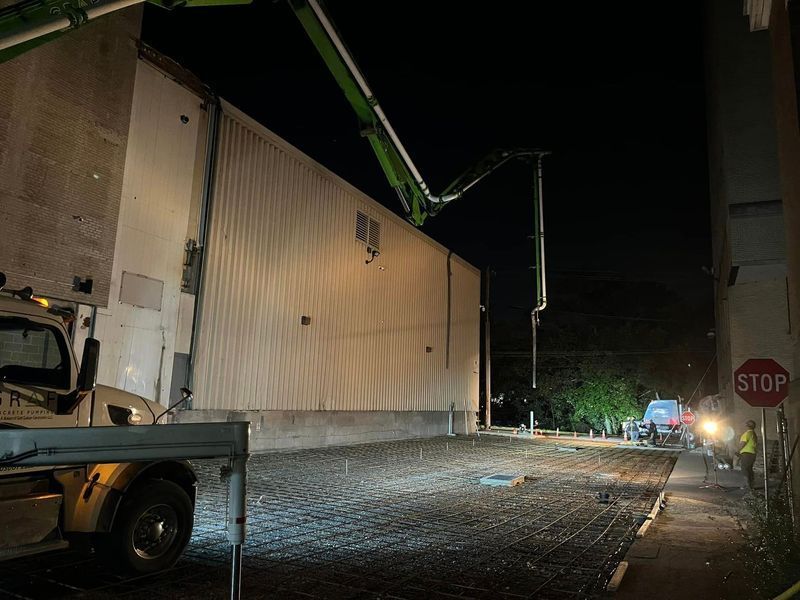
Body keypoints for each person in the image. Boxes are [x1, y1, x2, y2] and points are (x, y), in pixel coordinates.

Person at [736, 420, 758, 490]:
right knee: (749, 469)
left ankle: (747, 485)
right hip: (752, 454)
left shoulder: (747, 434)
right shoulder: (753, 433)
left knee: (744, 469)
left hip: (746, 454)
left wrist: (737, 451)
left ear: (747, 426)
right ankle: (751, 485)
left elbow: (743, 443)